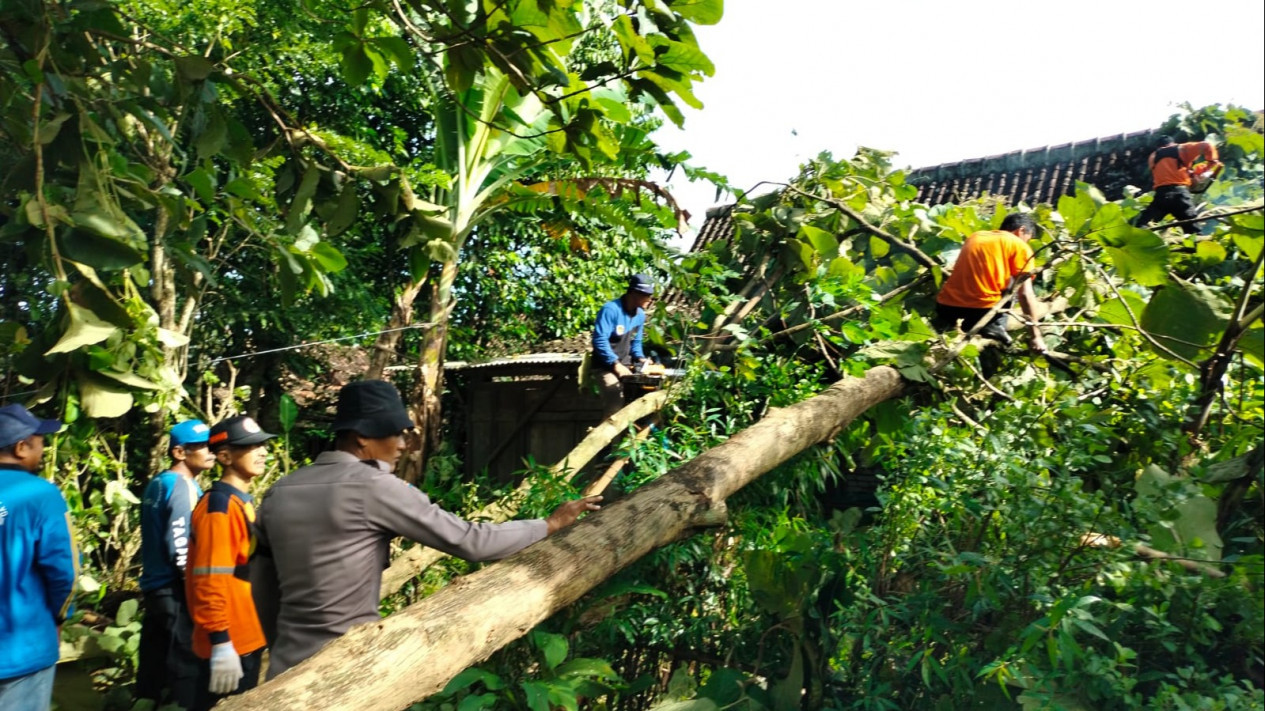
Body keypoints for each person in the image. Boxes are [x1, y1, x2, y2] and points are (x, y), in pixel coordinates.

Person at [252, 379, 601, 680]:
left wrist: (278, 645)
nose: (403, 445)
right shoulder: (374, 487)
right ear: (361, 438)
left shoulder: (279, 491)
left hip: (286, 667)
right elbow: (470, 541)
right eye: (395, 434)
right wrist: (549, 524)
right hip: (347, 669)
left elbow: (262, 585)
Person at [185, 415, 275, 711]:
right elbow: (210, 578)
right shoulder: (219, 508)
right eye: (251, 447)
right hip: (228, 643)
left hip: (245, 638)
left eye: (262, 444)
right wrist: (221, 642)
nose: (262, 451)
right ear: (224, 456)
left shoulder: (239, 501)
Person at [0, 404, 77, 711]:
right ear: (21, 447)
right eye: (40, 441)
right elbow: (64, 571)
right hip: (24, 651)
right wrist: (60, 618)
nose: (43, 449)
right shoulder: (42, 495)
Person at [136, 419, 214, 709]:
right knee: (187, 664)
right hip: (173, 589)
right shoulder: (181, 486)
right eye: (201, 446)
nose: (210, 451)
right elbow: (179, 544)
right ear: (180, 453)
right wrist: (194, 588)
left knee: (153, 667)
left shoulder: (158, 482)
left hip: (154, 587)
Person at [934, 213, 1046, 372]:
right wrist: (1036, 336)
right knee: (1015, 282)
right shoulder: (1019, 245)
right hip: (982, 311)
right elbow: (1025, 294)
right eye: (1028, 238)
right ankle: (994, 327)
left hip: (946, 306)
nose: (1027, 242)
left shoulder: (976, 236)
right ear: (1021, 230)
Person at [592, 274, 654, 418]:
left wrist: (640, 358)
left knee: (638, 399)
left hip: (626, 366)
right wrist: (615, 364)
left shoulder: (640, 315)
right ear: (633, 293)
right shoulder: (611, 310)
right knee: (615, 398)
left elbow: (636, 342)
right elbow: (599, 340)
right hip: (605, 367)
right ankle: (608, 439)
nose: (649, 300)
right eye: (646, 295)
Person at [1133, 135, 1223, 233]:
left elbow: (1169, 172)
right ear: (1173, 143)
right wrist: (1211, 163)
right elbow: (1206, 145)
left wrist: (1189, 173)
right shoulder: (1182, 148)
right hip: (1180, 195)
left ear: (1158, 147)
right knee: (1193, 230)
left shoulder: (1153, 157)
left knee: (1143, 224)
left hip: (1161, 196)